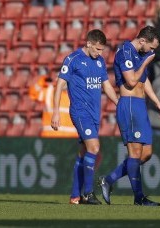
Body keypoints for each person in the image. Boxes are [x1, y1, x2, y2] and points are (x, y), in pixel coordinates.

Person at [99, 25, 160, 206]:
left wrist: (158, 103)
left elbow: (144, 82)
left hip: (140, 105)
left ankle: (109, 179)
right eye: (151, 48)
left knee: (146, 153)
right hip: (129, 104)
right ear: (143, 40)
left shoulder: (140, 54)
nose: (152, 52)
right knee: (135, 153)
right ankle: (139, 198)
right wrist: (146, 62)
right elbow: (130, 81)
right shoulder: (125, 52)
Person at [51, 29, 118, 205]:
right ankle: (88, 193)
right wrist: (56, 112)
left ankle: (75, 196)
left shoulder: (100, 62)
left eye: (102, 50)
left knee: (84, 153)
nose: (100, 53)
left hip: (95, 113)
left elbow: (107, 86)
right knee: (94, 148)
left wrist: (119, 103)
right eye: (97, 49)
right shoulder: (73, 60)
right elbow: (59, 86)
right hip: (80, 112)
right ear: (88, 43)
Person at [29, 73, 78, 137]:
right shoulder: (49, 92)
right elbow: (33, 93)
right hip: (50, 137)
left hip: (70, 139)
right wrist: (42, 81)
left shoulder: (75, 95)